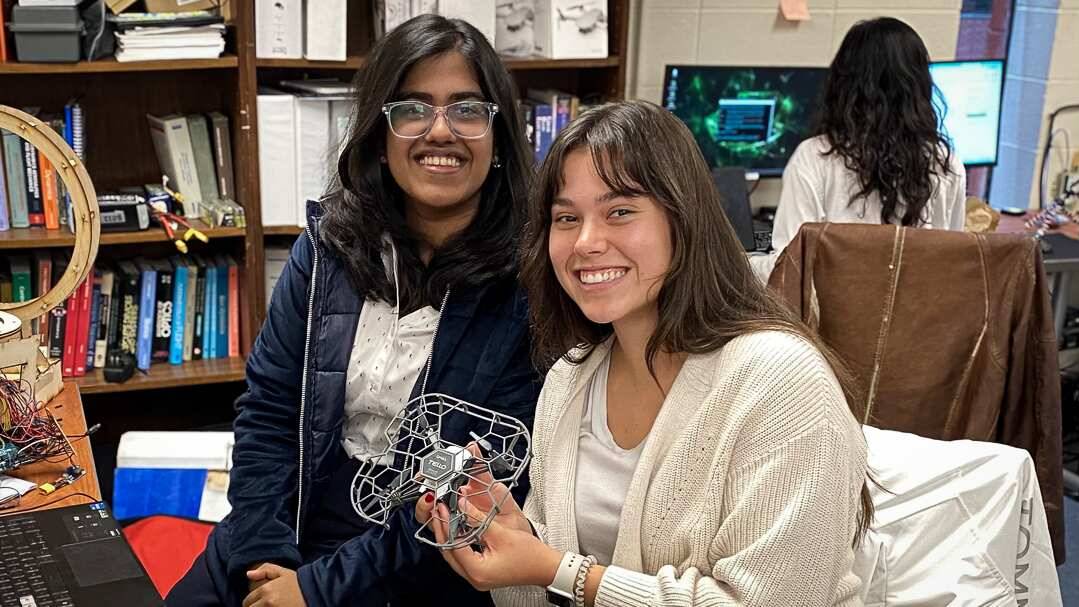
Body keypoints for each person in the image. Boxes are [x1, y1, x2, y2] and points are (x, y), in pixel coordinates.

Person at [416, 100, 872, 606]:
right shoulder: (570, 379)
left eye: (620, 212)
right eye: (566, 218)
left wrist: (560, 570)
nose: (586, 241)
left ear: (683, 218)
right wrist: (511, 538)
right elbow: (544, 591)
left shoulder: (783, 383)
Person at [167, 14, 541, 607]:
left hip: (415, 563)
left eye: (467, 109)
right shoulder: (325, 248)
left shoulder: (529, 286)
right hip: (281, 532)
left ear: (497, 137)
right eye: (413, 108)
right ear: (379, 132)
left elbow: (469, 490)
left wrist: (313, 591)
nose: (440, 131)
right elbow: (268, 413)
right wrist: (264, 558)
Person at [750, 17, 967, 283]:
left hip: (830, 324)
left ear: (843, 84)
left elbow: (789, 272)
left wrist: (741, 264)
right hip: (920, 321)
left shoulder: (814, 159)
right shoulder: (947, 165)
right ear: (920, 86)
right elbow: (951, 265)